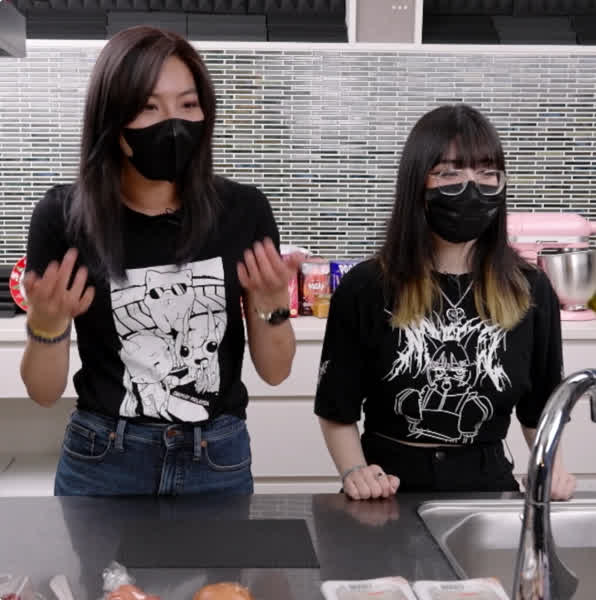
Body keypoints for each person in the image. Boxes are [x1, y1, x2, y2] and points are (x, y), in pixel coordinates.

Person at [20, 26, 301, 496]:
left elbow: (276, 373)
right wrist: (45, 325)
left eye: (188, 105)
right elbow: (43, 393)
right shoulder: (62, 218)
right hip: (104, 461)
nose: (173, 124)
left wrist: (272, 305)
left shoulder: (244, 211)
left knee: (226, 556)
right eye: (149, 107)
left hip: (216, 458)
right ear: (111, 120)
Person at [315, 104, 576, 501]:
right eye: (450, 173)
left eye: (487, 174)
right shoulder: (366, 286)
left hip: (487, 489)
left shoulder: (531, 289)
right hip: (387, 490)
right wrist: (355, 471)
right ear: (417, 183)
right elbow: (337, 406)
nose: (472, 188)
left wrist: (550, 466)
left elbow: (540, 408)